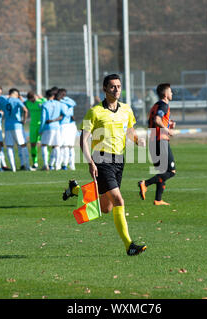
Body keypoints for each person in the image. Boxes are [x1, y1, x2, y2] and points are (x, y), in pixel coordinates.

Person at [64, 74, 147, 256]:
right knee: (119, 200)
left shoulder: (126, 109)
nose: (116, 89)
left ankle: (75, 190)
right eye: (112, 87)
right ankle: (129, 245)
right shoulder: (94, 112)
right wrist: (90, 162)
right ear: (104, 89)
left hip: (119, 160)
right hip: (101, 159)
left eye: (118, 86)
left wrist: (136, 139)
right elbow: (83, 140)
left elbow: (130, 130)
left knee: (106, 207)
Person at [138, 83, 177, 206]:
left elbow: (156, 120)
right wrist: (167, 129)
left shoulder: (156, 105)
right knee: (171, 171)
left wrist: (168, 123)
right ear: (165, 94)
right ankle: (145, 183)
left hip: (153, 141)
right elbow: (157, 120)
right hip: (161, 141)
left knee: (162, 171)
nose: (172, 93)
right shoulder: (164, 105)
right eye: (170, 91)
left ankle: (158, 199)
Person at [0, 88, 32, 171]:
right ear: (16, 94)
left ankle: (13, 168)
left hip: (7, 125)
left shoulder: (4, 101)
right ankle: (27, 166)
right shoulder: (17, 100)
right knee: (23, 145)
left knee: (9, 146)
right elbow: (25, 110)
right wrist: (24, 120)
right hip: (17, 126)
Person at [39, 87, 67, 170]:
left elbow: (43, 118)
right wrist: (56, 119)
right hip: (57, 127)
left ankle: (45, 164)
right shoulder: (59, 104)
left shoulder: (45, 104)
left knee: (44, 145)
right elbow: (64, 114)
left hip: (48, 127)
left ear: (46, 96)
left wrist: (41, 129)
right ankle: (57, 166)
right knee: (56, 146)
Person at [25, 91, 47, 170]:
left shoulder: (42, 101)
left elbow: (48, 102)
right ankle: (35, 163)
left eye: (34, 98)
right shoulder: (27, 102)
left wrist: (42, 98)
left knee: (44, 144)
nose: (33, 100)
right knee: (33, 144)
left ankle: (46, 163)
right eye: (31, 99)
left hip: (42, 125)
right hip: (33, 126)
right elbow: (23, 101)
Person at [57, 88, 77, 170]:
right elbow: (67, 112)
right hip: (64, 125)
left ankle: (71, 165)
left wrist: (62, 101)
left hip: (69, 125)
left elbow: (73, 104)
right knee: (64, 146)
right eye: (62, 94)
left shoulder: (65, 100)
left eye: (64, 94)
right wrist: (70, 114)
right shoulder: (61, 102)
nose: (63, 95)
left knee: (69, 146)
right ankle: (63, 164)